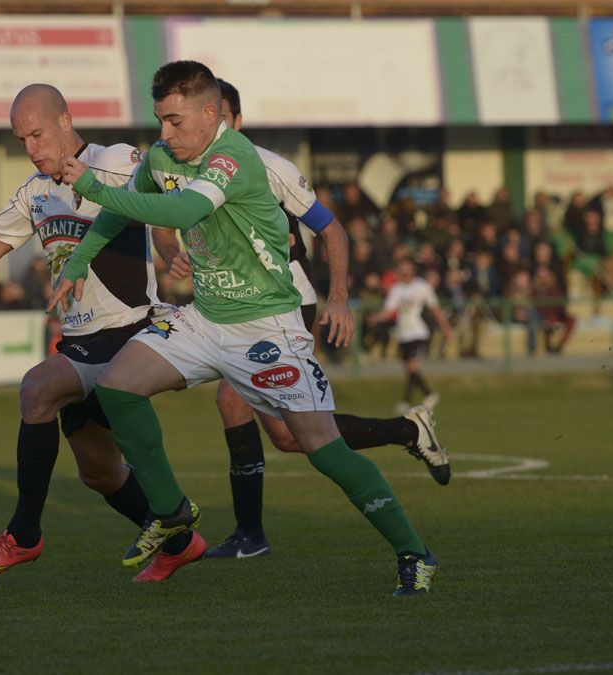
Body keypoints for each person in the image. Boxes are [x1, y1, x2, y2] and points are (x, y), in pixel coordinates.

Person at [51, 60, 439, 596]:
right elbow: (121, 217)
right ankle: (171, 511)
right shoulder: (163, 156)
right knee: (118, 386)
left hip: (267, 326)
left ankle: (415, 553)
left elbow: (184, 211)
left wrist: (92, 185)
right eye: (160, 120)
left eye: (175, 121)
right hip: (206, 317)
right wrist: (77, 263)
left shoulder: (234, 157)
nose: (165, 133)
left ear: (211, 114)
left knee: (321, 448)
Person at [0, 83, 198, 583]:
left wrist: (168, 248)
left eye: (37, 135)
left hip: (127, 331)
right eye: (21, 141)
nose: (31, 148)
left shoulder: (113, 160)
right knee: (99, 473)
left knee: (37, 389)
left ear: (65, 121)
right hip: (80, 343)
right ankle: (181, 542)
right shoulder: (35, 193)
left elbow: (160, 192)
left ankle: (24, 535)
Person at [152, 78, 450, 560]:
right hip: (231, 308)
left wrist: (339, 297)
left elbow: (331, 229)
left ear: (235, 121)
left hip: (285, 301)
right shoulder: (183, 167)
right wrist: (171, 252)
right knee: (290, 437)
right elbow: (163, 224)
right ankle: (407, 430)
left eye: (222, 118)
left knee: (232, 401)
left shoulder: (268, 166)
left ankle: (250, 536)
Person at [368, 259, 452, 412]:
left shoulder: (422, 286)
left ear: (413, 270)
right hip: (403, 334)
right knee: (409, 370)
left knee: (412, 366)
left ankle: (425, 395)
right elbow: (389, 311)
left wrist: (446, 329)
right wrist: (376, 318)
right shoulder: (396, 289)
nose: (405, 273)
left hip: (418, 333)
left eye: (408, 270)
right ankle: (412, 400)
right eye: (402, 270)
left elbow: (435, 309)